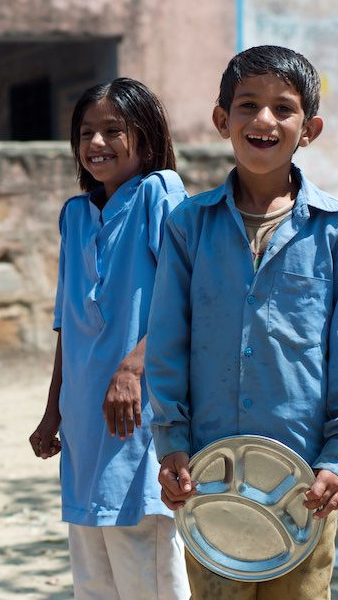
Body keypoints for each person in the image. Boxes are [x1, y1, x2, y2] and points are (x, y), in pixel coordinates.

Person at [147, 45, 338, 599]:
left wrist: (334, 457)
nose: (264, 120)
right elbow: (167, 342)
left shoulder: (330, 234)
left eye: (284, 109)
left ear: (311, 128)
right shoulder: (189, 226)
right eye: (248, 105)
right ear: (220, 118)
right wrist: (171, 443)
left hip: (304, 485)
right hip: (209, 479)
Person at [28, 78, 191, 600]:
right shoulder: (75, 216)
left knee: (149, 564)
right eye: (85, 132)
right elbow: (66, 323)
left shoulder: (158, 193)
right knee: (93, 575)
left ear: (144, 136)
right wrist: (53, 409)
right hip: (84, 418)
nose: (96, 143)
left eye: (113, 130)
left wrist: (132, 368)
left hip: (139, 414)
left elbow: (182, 293)